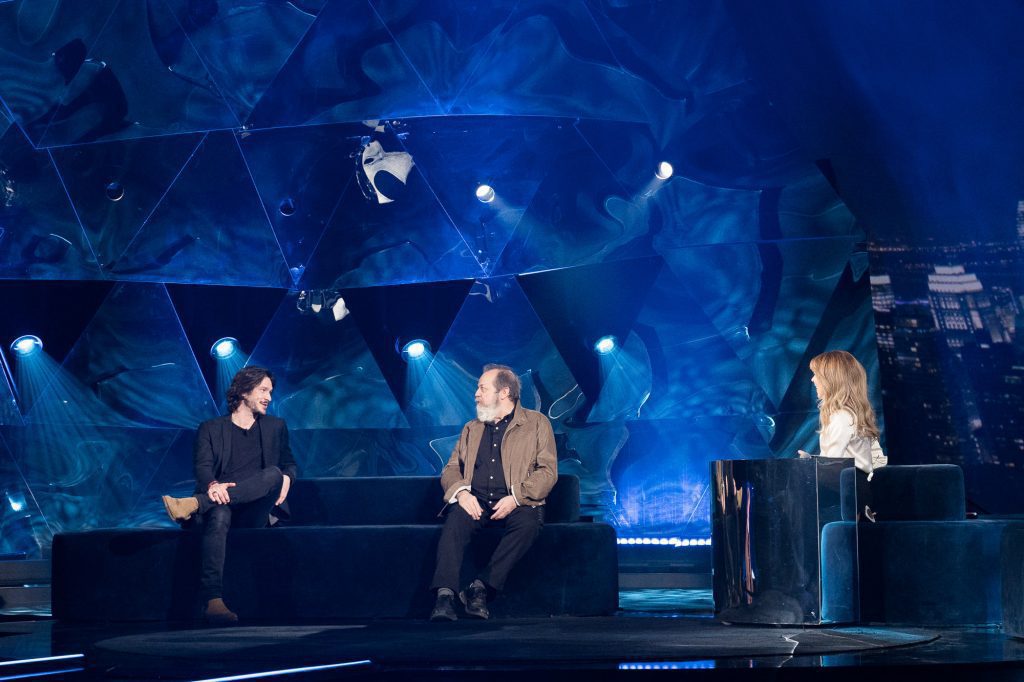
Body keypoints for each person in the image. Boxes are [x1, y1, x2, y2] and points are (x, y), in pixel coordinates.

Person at [161, 367, 297, 624]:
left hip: (255, 509)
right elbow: (202, 466)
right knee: (220, 513)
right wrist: (212, 484)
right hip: (220, 506)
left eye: (270, 391)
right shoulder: (210, 428)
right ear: (244, 392)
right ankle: (213, 601)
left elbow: (288, 464)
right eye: (263, 390)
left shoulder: (275, 426)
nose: (269, 397)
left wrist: (287, 479)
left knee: (274, 474)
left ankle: (195, 504)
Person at [429, 364, 558, 621]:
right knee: (454, 522)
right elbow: (451, 469)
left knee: (529, 524)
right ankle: (445, 597)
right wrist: (462, 495)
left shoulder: (536, 423)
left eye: (482, 388)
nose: (476, 393)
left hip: (516, 500)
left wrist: (517, 497)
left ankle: (480, 588)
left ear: (504, 392)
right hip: (476, 500)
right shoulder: (472, 428)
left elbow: (547, 471)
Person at [798, 350, 887, 521]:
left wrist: (809, 464)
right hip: (856, 490)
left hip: (848, 493)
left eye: (816, 375)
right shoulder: (850, 414)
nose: (812, 380)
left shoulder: (841, 417)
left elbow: (833, 464)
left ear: (831, 379)